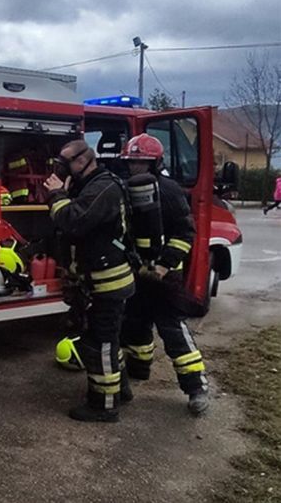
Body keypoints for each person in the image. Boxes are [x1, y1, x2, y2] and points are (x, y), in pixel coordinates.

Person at [43, 139, 135, 423]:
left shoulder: (103, 188)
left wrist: (57, 196)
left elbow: (74, 220)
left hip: (107, 282)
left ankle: (104, 405)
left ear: (83, 160)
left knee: (101, 345)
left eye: (66, 161)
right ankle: (121, 389)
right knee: (106, 340)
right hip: (95, 280)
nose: (61, 167)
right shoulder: (89, 186)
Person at [119, 134, 210, 415]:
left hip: (165, 277)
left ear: (155, 162)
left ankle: (196, 388)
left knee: (173, 331)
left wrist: (164, 264)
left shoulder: (169, 191)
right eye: (132, 163)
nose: (136, 168)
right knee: (135, 324)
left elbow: (185, 233)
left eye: (141, 162)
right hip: (137, 273)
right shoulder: (125, 189)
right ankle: (139, 368)